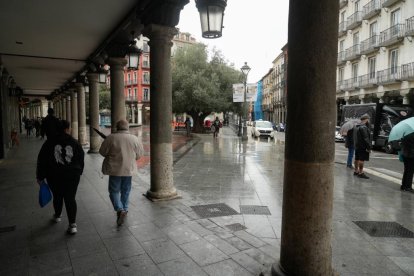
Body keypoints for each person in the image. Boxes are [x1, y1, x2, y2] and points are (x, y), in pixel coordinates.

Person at [36, 120, 84, 234]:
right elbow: (81, 159)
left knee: (57, 196)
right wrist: (79, 172)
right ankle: (72, 225)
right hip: (72, 175)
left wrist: (40, 176)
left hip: (54, 175)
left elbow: (41, 160)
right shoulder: (75, 142)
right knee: (70, 198)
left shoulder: (49, 143)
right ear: (67, 129)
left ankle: (57, 216)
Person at [99, 119, 144, 226]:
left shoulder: (111, 138)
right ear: (128, 127)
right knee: (126, 190)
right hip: (129, 169)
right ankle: (125, 208)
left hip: (114, 170)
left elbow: (102, 152)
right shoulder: (134, 139)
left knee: (114, 191)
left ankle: (119, 209)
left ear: (117, 127)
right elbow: (139, 154)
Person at [353, 114, 372, 179]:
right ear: (366, 119)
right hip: (363, 146)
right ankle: (361, 173)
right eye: (368, 119)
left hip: (357, 146)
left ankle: (356, 171)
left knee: (356, 159)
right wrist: (369, 147)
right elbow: (366, 138)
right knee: (361, 159)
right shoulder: (363, 127)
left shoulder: (356, 126)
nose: (368, 121)